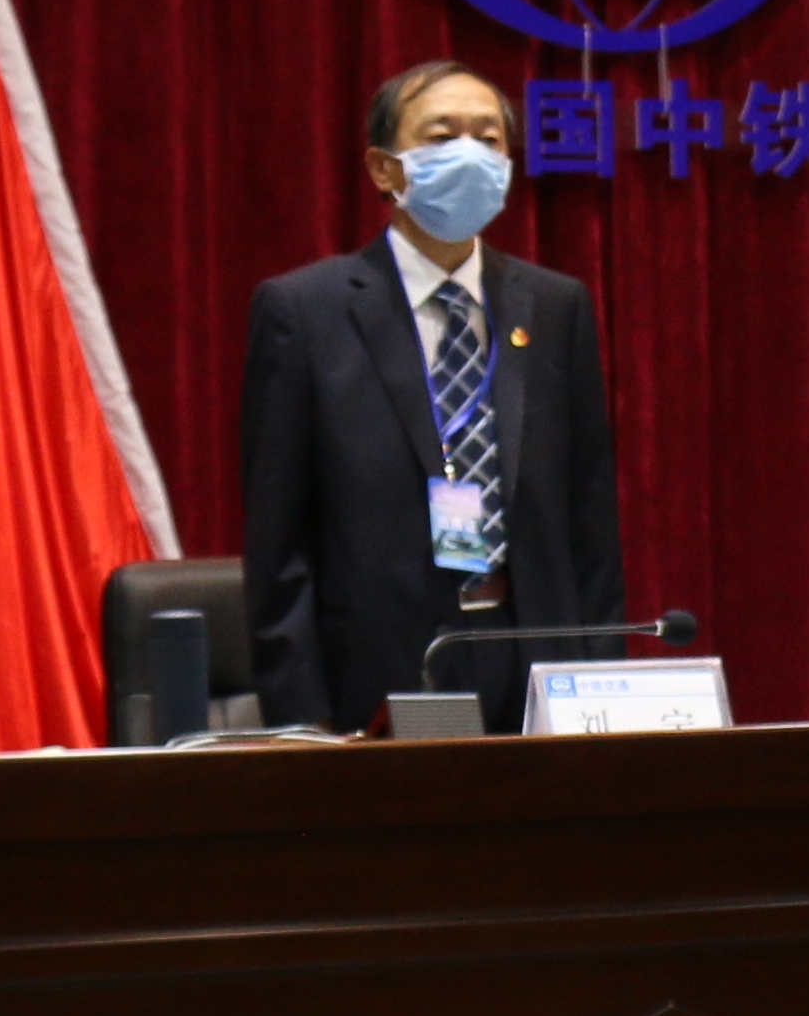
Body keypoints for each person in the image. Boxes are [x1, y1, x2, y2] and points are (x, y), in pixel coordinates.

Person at [243, 60, 624, 731]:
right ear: (383, 169)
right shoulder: (305, 312)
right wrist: (301, 728)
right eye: (442, 137)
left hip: (538, 658)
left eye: (488, 139)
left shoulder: (554, 306)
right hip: (382, 668)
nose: (470, 155)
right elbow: (279, 548)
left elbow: (590, 524)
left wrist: (601, 688)